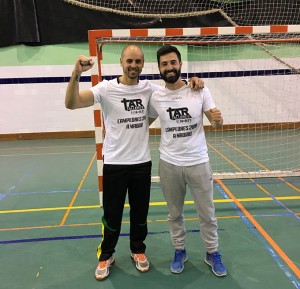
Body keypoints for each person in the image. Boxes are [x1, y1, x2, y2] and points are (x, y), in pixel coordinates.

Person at [65, 45, 204, 281]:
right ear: (121, 61)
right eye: (129, 60)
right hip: (115, 164)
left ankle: (138, 250)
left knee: (140, 214)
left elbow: (173, 89)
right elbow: (72, 103)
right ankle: (106, 254)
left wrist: (194, 82)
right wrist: (76, 73)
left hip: (141, 163)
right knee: (112, 215)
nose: (133, 65)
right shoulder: (106, 88)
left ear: (142, 64)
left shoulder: (149, 89)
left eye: (138, 61)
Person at [148, 45, 227, 277]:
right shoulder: (156, 97)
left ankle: (212, 252)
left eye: (173, 62)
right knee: (175, 213)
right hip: (169, 164)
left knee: (207, 213)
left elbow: (215, 123)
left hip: (198, 162)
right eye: (164, 64)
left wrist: (218, 120)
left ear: (180, 64)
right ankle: (179, 250)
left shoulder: (199, 90)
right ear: (159, 68)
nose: (169, 67)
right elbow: (144, 123)